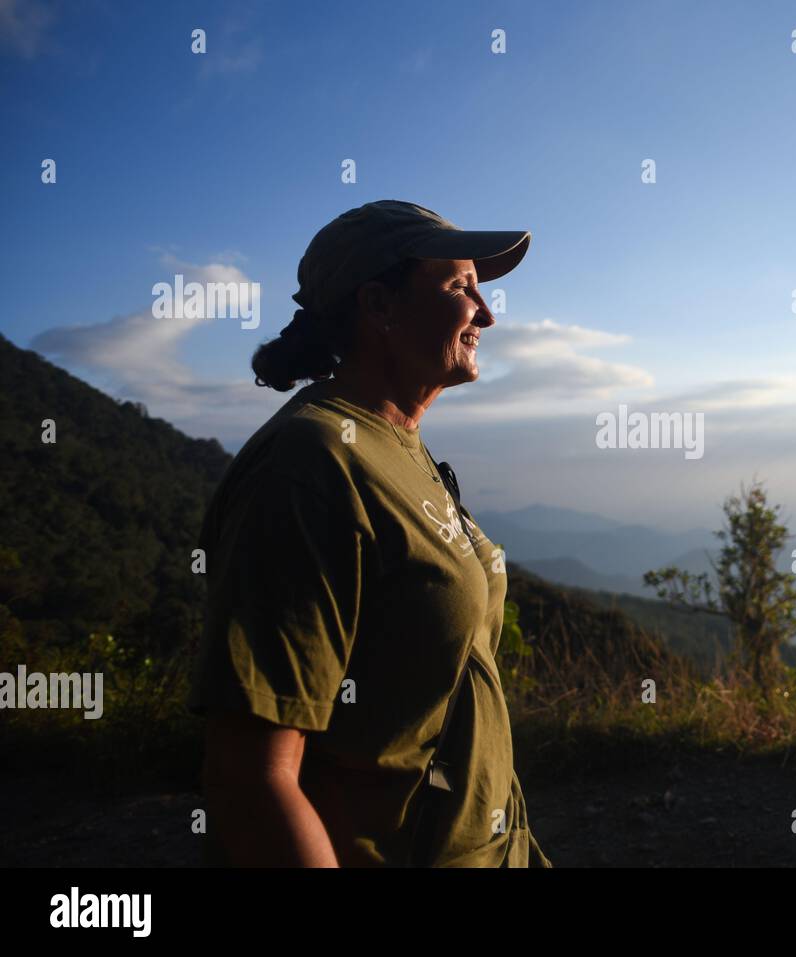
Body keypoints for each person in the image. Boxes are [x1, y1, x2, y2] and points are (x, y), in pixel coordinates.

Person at [186, 199, 552, 868]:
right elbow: (251, 779)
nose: (487, 312)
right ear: (380, 306)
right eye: (459, 286)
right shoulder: (310, 465)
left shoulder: (397, 441)